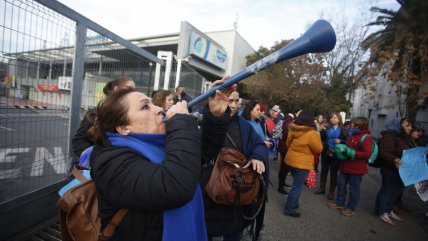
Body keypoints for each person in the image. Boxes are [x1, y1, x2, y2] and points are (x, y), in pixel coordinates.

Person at [87, 78, 232, 240]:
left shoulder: (161, 142)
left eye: (152, 103)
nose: (158, 109)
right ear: (123, 128)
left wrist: (215, 115)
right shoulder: (110, 163)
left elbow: (196, 157)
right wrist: (181, 123)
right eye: (144, 107)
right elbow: (176, 184)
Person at [201, 91, 268, 241]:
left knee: (234, 232)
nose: (233, 105)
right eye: (229, 100)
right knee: (205, 232)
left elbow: (259, 144)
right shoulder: (204, 121)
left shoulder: (243, 124)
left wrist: (257, 156)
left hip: (237, 192)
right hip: (210, 190)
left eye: (236, 101)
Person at [72, 76, 135, 158]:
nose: (133, 93)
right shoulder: (95, 113)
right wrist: (96, 158)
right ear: (116, 90)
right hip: (96, 165)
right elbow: (79, 141)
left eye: (134, 91)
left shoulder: (129, 115)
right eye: (129, 89)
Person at [328, 117, 373, 217]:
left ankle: (351, 208)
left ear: (358, 125)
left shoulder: (366, 138)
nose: (351, 125)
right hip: (345, 166)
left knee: (354, 189)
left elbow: (368, 154)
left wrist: (353, 153)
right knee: (340, 184)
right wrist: (342, 150)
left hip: (357, 169)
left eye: (353, 124)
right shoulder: (351, 135)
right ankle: (340, 203)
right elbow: (347, 147)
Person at [375, 117, 415, 226]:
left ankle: (389, 210)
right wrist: (394, 159)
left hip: (402, 171)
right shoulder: (389, 136)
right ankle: (381, 211)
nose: (410, 128)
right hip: (390, 169)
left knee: (396, 191)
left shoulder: (405, 138)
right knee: (387, 190)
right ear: (398, 125)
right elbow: (384, 152)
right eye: (407, 125)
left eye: (410, 126)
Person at [283, 110, 323, 217]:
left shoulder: (293, 128)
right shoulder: (312, 133)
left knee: (295, 184)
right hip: (302, 163)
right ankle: (289, 209)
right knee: (297, 186)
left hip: (290, 160)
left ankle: (293, 203)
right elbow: (319, 149)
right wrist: (318, 136)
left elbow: (288, 143)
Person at [314, 112, 348, 200]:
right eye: (332, 117)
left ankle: (331, 191)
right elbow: (322, 138)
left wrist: (341, 141)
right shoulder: (327, 127)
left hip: (337, 154)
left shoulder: (343, 129)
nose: (333, 119)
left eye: (335, 117)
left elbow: (348, 141)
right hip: (326, 152)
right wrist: (321, 133)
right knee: (324, 171)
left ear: (339, 119)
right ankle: (322, 188)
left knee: (334, 173)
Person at [277, 108, 302, 195]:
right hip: (285, 147)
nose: (301, 114)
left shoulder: (289, 119)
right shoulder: (290, 120)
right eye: (300, 112)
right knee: (284, 167)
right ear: (296, 113)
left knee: (285, 167)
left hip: (284, 146)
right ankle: (280, 187)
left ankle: (282, 183)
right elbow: (287, 134)